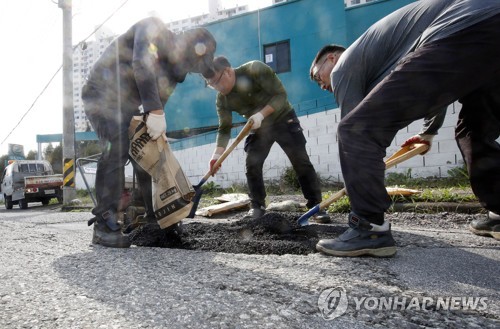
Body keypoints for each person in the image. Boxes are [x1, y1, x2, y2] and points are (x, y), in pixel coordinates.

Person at [309, 0, 500, 257]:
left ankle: (369, 227)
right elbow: (436, 83)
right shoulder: (384, 53)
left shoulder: (343, 68)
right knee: (473, 131)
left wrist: (358, 185)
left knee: (355, 129)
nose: (322, 85)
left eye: (317, 76)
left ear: (330, 59)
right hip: (486, 23)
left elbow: (358, 130)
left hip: (465, 27)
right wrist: (429, 133)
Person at [82, 17, 217, 248]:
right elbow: (141, 64)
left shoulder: (174, 74)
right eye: (194, 63)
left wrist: (156, 129)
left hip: (127, 104)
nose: (191, 70)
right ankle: (104, 222)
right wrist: (154, 110)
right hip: (101, 92)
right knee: (118, 145)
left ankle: (155, 217)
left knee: (146, 153)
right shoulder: (153, 28)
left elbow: (157, 106)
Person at [203, 56, 330, 222]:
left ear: (227, 71)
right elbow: (224, 128)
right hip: (258, 127)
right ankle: (257, 206)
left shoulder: (254, 69)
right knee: (252, 164)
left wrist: (261, 114)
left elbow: (280, 95)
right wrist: (216, 156)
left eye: (217, 82)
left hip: (283, 118)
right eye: (211, 85)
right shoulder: (222, 99)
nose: (216, 88)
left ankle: (316, 206)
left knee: (301, 161)